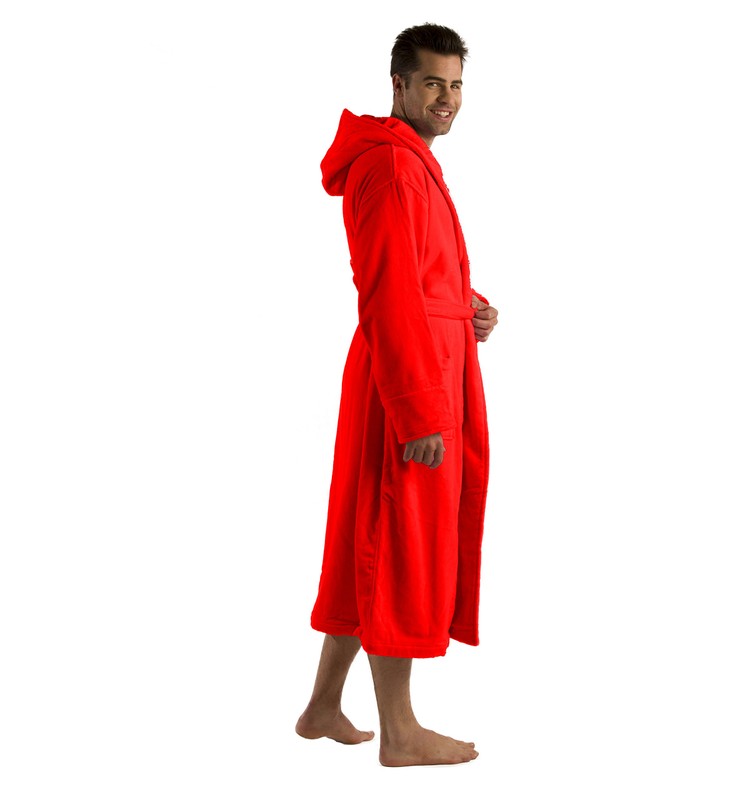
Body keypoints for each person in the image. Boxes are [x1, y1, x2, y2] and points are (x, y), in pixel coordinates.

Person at [296, 23, 499, 767]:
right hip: (406, 379)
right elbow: (385, 291)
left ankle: (322, 706)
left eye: (456, 85)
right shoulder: (389, 165)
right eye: (432, 83)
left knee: (371, 534)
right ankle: (401, 731)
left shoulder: (410, 161)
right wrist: (418, 408)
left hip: (428, 362)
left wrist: (465, 306)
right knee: (398, 542)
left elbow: (418, 273)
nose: (447, 98)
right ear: (399, 86)